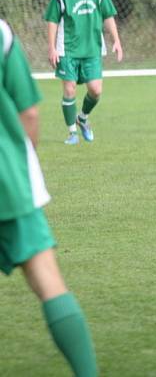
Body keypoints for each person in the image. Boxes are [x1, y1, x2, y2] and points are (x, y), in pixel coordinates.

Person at [0, 18, 98, 375]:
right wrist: (19, 170)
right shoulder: (1, 34)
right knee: (48, 282)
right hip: (6, 178)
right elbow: (29, 112)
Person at [44, 0, 123, 145]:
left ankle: (83, 118)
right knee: (69, 90)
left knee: (96, 91)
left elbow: (108, 16)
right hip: (67, 49)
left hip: (92, 49)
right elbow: (52, 20)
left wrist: (117, 40)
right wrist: (52, 48)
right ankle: (72, 133)